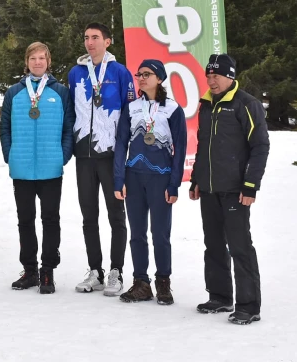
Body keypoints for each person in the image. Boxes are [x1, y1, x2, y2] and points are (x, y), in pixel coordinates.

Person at [189, 54, 269, 325]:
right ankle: (220, 296)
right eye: (208, 75)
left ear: (230, 76)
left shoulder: (246, 104)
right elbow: (203, 145)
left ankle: (249, 305)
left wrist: (250, 185)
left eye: (217, 75)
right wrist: (196, 179)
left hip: (236, 190)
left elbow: (260, 146)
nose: (211, 80)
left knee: (240, 246)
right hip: (210, 188)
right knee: (213, 244)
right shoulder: (207, 105)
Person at [0, 42, 74, 294]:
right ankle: (30, 270)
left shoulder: (61, 92)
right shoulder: (14, 93)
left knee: (50, 220)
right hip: (22, 168)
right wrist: (10, 154)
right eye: (33, 58)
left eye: (42, 58)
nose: (38, 62)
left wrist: (62, 156)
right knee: (25, 220)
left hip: (50, 168)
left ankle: (47, 271)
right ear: (27, 61)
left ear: (49, 61)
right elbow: (6, 128)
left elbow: (68, 128)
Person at [68, 22, 135, 295]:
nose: (90, 42)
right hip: (84, 155)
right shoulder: (75, 73)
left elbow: (130, 114)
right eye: (86, 38)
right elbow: (71, 112)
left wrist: (125, 152)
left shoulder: (120, 72)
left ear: (108, 42)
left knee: (116, 215)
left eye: (95, 37)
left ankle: (116, 270)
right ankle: (95, 270)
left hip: (111, 156)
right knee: (88, 216)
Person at [113, 59, 186, 305]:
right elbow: (121, 143)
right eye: (139, 74)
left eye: (147, 74)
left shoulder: (173, 109)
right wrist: (118, 179)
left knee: (160, 234)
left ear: (160, 79)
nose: (141, 78)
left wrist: (174, 184)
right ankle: (141, 283)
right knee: (137, 234)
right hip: (134, 178)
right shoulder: (132, 108)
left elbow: (180, 150)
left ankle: (163, 282)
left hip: (160, 178)